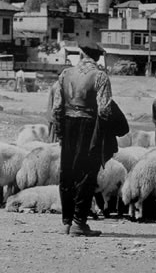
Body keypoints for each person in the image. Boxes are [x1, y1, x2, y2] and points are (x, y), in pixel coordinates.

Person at [52, 41, 112, 237]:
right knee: (86, 173)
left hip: (68, 125)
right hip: (89, 127)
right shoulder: (100, 76)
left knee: (67, 172)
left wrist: (61, 133)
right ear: (97, 57)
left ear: (81, 53)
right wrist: (102, 136)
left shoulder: (65, 74)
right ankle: (79, 222)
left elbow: (56, 108)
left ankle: (66, 222)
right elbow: (104, 110)